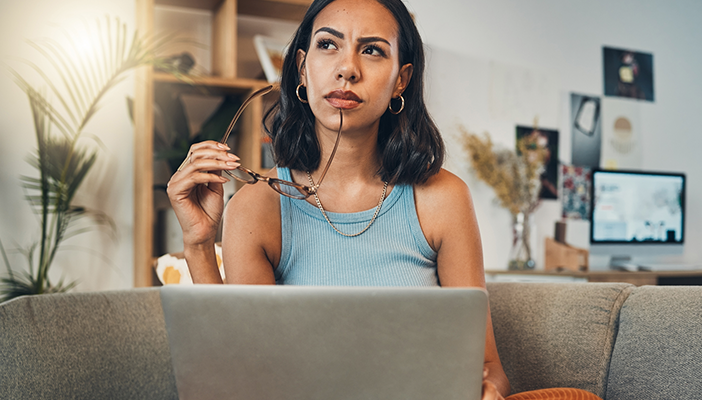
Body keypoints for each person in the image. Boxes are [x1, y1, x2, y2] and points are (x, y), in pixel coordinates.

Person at [166, 1, 600, 399]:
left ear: (401, 81)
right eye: (328, 45)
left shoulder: (442, 198)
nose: (347, 68)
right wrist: (200, 244)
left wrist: (486, 391)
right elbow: (247, 376)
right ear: (302, 68)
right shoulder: (257, 207)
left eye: (372, 51)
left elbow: (489, 368)